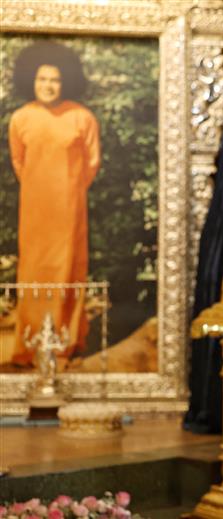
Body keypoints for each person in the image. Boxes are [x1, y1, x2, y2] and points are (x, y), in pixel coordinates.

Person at [7, 41, 100, 366]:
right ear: (31, 81)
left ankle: (66, 341)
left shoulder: (82, 118)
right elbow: (19, 163)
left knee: (67, 269)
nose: (48, 86)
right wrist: (40, 190)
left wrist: (68, 192)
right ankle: (29, 344)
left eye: (55, 80)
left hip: (69, 210)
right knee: (32, 270)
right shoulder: (20, 118)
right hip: (34, 210)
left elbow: (91, 164)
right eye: (42, 79)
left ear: (66, 82)